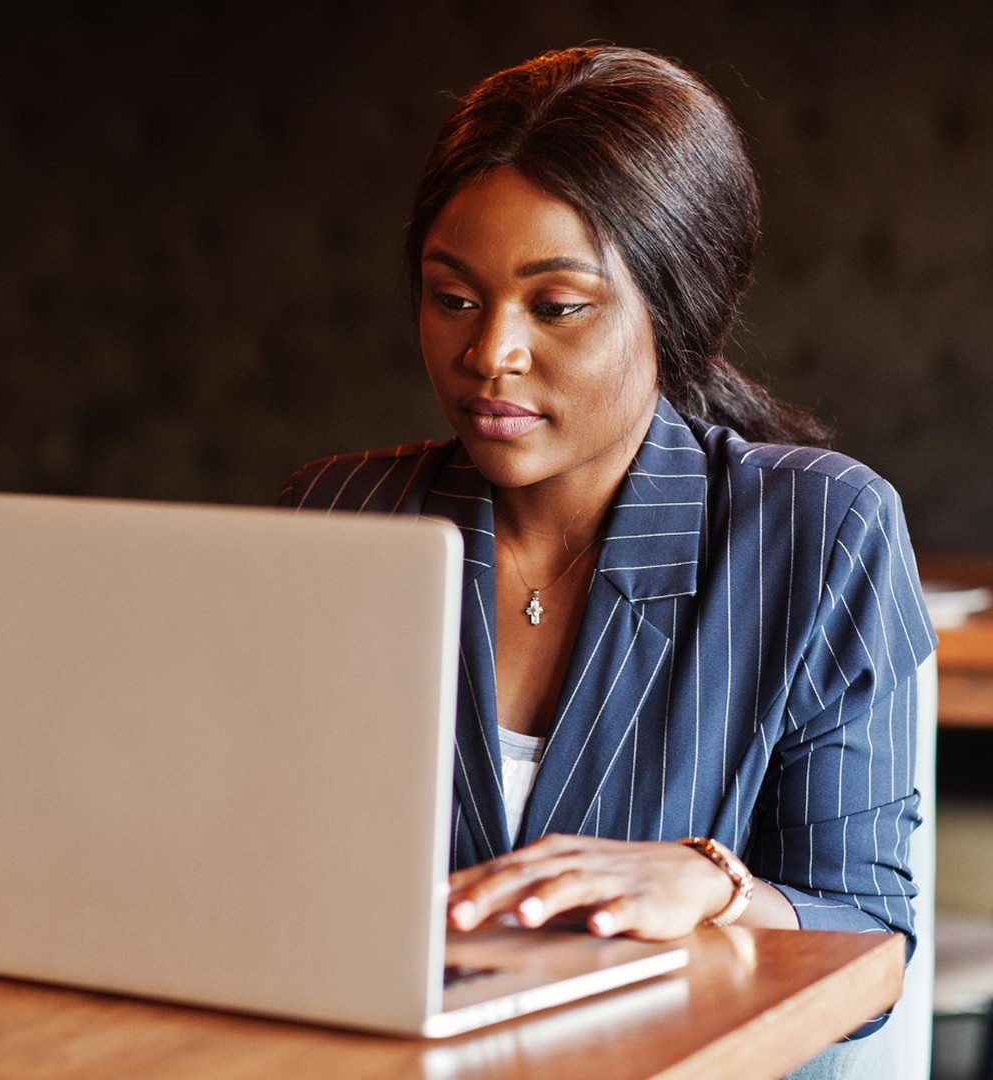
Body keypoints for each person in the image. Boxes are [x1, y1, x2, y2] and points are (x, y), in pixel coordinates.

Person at [279, 44, 935, 1035]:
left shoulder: (815, 532)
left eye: (557, 307)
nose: (487, 353)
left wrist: (707, 887)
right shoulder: (337, 515)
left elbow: (866, 947)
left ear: (673, 313)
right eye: (452, 298)